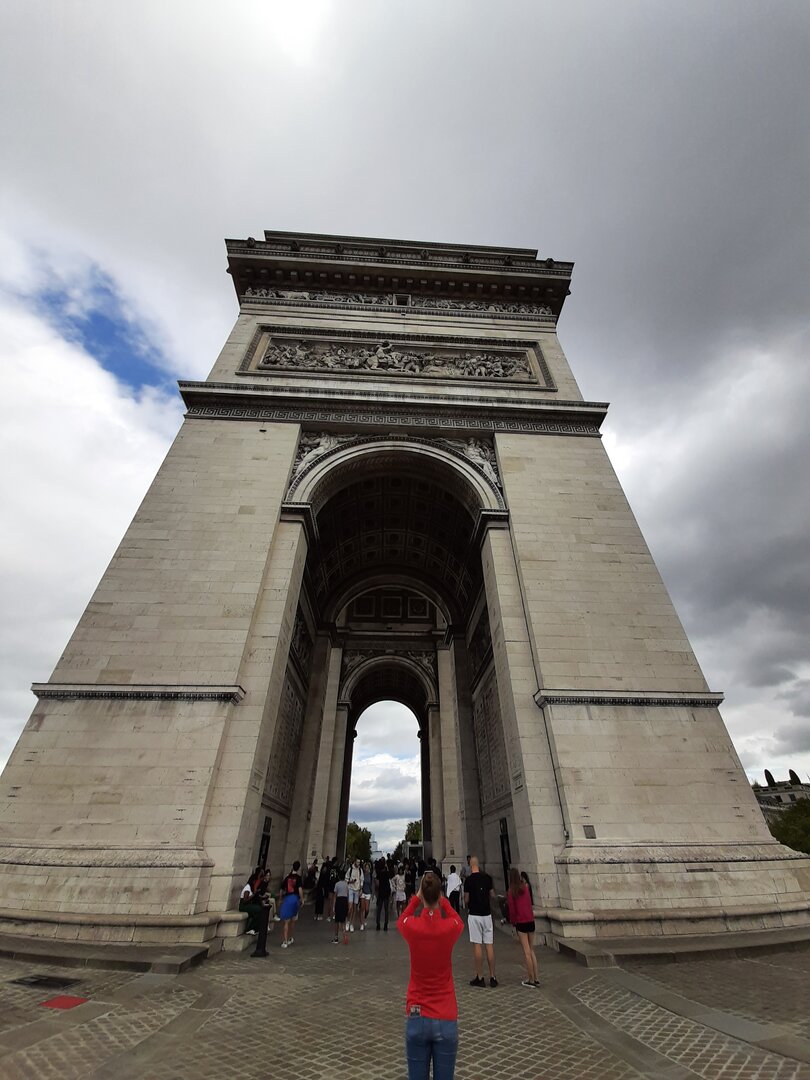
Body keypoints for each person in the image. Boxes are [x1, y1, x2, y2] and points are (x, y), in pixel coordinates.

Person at [398, 870, 465, 1080]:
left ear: (422, 894)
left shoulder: (413, 927)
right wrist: (443, 901)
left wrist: (416, 898)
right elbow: (458, 921)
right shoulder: (449, 928)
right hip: (445, 1014)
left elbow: (402, 919)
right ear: (439, 894)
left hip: (417, 1014)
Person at [463, 856, 497, 987]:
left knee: (477, 945)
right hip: (486, 914)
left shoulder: (469, 880)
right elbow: (492, 895)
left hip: (474, 915)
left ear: (470, 865)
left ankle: (480, 976)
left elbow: (466, 900)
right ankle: (493, 976)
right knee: (489, 945)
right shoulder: (487, 878)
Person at [507, 868, 539, 987]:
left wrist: (513, 922)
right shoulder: (525, 887)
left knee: (526, 952)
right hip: (530, 921)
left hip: (521, 922)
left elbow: (512, 910)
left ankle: (530, 979)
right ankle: (536, 978)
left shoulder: (511, 891)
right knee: (531, 950)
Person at [279, 860, 303, 948]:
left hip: (287, 899)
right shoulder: (298, 878)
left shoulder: (287, 877)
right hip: (295, 899)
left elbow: (281, 889)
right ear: (299, 868)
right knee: (293, 920)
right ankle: (290, 937)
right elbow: (300, 889)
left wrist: (280, 899)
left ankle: (285, 941)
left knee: (286, 921)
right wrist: (302, 899)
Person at [332, 871, 349, 944]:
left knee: (337, 920)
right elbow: (347, 894)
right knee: (343, 920)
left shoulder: (337, 884)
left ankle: (336, 937)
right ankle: (344, 934)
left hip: (339, 901)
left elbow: (335, 895)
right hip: (344, 901)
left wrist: (333, 906)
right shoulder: (346, 884)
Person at [376, 856, 392, 931]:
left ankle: (378, 924)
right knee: (386, 910)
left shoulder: (379, 873)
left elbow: (377, 883)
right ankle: (385, 924)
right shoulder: (387, 873)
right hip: (386, 892)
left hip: (380, 892)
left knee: (379, 909)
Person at [346, 858, 362, 932]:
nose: (358, 863)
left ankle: (352, 923)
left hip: (357, 890)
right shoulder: (350, 869)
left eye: (359, 862)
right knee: (350, 906)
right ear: (355, 862)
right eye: (357, 862)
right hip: (351, 889)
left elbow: (362, 880)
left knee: (355, 908)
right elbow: (346, 879)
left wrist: (360, 889)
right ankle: (348, 921)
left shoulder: (360, 870)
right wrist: (350, 881)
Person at [360, 861, 373, 930]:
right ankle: (362, 923)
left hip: (368, 893)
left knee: (367, 909)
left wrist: (372, 893)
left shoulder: (370, 875)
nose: (367, 869)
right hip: (362, 892)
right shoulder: (362, 874)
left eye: (368, 868)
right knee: (362, 908)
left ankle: (364, 918)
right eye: (366, 868)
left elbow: (372, 884)